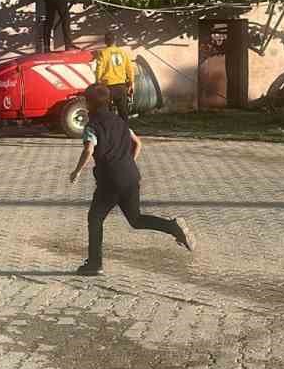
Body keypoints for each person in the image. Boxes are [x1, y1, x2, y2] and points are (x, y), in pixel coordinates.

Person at [69, 83, 196, 276]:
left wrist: (77, 171)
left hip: (110, 181)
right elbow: (138, 143)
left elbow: (89, 149)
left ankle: (94, 264)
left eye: (86, 100)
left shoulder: (92, 126)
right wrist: (127, 163)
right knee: (136, 219)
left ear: (90, 104)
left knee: (95, 218)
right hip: (130, 176)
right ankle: (173, 227)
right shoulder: (120, 121)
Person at [94, 27, 135, 117]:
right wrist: (131, 82)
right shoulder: (123, 52)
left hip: (108, 86)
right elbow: (130, 68)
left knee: (107, 111)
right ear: (115, 41)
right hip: (121, 85)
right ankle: (124, 128)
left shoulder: (103, 53)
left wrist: (97, 82)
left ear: (105, 41)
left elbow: (99, 68)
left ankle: (110, 128)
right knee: (123, 111)